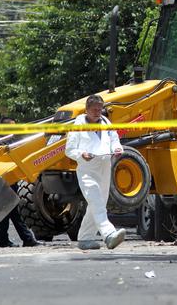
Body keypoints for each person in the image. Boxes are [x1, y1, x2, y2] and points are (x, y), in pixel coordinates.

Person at [65, 95, 126, 250]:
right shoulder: (78, 125)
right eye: (94, 109)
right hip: (87, 170)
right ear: (86, 109)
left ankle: (85, 238)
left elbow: (114, 140)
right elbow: (69, 150)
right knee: (97, 201)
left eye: (100, 109)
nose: (97, 112)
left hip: (105, 167)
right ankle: (109, 234)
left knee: (96, 204)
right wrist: (81, 154)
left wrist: (117, 149)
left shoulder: (106, 122)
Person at [0, 117, 42, 248]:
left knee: (6, 211)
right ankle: (27, 239)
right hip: (6, 180)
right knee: (13, 210)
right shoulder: (4, 143)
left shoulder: (4, 141)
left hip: (4, 180)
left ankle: (3, 240)